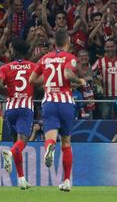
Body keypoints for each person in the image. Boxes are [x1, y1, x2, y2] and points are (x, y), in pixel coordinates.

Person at [29, 29, 86, 192]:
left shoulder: (45, 58)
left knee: (50, 137)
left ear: (55, 43)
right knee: (66, 142)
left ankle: (49, 148)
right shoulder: (70, 58)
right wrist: (79, 80)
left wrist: (47, 79)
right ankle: (67, 181)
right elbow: (68, 74)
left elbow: (32, 80)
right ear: (68, 42)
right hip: (66, 103)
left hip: (50, 103)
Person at [0, 39, 36, 190]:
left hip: (10, 108)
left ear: (14, 50)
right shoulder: (33, 66)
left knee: (16, 142)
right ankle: (10, 153)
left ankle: (21, 179)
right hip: (25, 108)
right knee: (22, 142)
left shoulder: (5, 67)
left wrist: (11, 93)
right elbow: (40, 82)